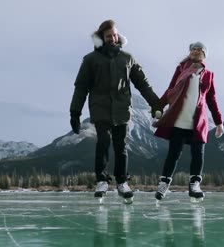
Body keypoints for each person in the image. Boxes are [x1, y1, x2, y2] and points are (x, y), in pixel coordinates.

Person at [69, 20, 161, 201]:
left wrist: (155, 103)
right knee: (103, 141)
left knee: (121, 145)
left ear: (118, 36)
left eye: (114, 35)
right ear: (101, 38)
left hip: (121, 108)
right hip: (100, 107)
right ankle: (102, 181)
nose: (112, 38)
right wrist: (75, 112)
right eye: (108, 36)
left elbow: (142, 83)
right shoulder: (90, 60)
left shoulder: (127, 58)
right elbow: (81, 87)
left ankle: (122, 182)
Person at [152, 41, 224, 201]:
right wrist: (158, 107)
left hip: (198, 121)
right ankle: (164, 184)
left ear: (204, 54)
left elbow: (211, 99)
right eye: (194, 49)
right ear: (190, 52)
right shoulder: (180, 70)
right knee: (173, 153)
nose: (196, 51)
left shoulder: (208, 75)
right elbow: (170, 90)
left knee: (198, 153)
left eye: (200, 49)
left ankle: (195, 185)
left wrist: (219, 123)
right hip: (179, 119)